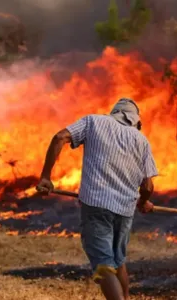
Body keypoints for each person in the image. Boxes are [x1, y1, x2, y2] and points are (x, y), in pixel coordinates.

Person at [36, 98, 158, 300]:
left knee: (103, 264)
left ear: (115, 113)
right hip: (124, 210)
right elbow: (147, 186)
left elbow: (60, 137)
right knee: (118, 260)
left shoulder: (93, 122)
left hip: (96, 205)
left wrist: (46, 177)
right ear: (135, 120)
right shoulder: (141, 140)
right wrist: (144, 201)